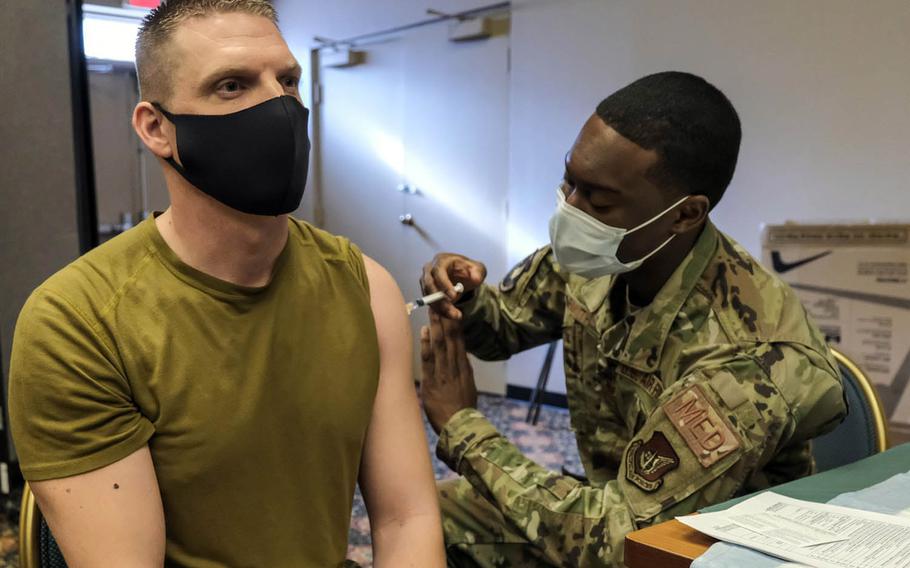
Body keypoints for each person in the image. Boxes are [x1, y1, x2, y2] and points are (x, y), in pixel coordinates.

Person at [8, 1, 444, 566]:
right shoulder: (77, 324)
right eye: (232, 86)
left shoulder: (365, 286)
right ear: (157, 128)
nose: (280, 107)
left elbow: (405, 517)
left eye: (287, 81)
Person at [418, 71, 847, 567]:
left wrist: (463, 427)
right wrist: (466, 296)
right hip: (622, 510)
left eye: (597, 199)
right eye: (568, 181)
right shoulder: (604, 254)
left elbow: (625, 546)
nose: (570, 209)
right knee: (432, 515)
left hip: (706, 551)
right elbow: (503, 326)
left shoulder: (749, 358)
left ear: (685, 214)